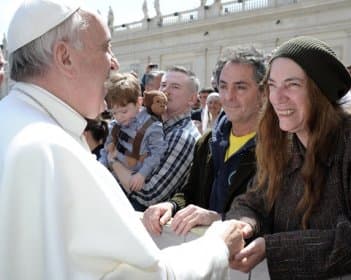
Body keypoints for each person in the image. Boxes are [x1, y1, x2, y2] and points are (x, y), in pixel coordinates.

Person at [0, 1, 246, 279]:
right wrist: (216, 246)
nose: (114, 63)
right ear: (65, 57)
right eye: (105, 47)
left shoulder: (12, 123)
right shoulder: (52, 150)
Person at [226, 36, 351, 279]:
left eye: (292, 84)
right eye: (273, 85)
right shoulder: (281, 142)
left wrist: (274, 248)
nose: (277, 97)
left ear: (320, 90)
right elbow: (253, 201)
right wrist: (242, 225)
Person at [143, 46, 266, 236]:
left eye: (240, 87)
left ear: (263, 92)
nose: (229, 96)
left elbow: (272, 218)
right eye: (223, 86)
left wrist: (218, 218)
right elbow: (190, 193)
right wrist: (170, 205)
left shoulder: (279, 148)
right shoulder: (207, 142)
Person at [110, 65, 201, 211]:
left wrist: (113, 162)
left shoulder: (182, 136)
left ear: (192, 99)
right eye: (163, 85)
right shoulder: (152, 125)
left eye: (175, 87)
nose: (165, 90)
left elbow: (150, 196)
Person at [99, 72, 168, 197]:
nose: (119, 117)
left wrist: (142, 174)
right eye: (114, 113)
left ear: (139, 102)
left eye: (124, 111)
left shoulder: (152, 126)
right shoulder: (114, 126)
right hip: (113, 184)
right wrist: (101, 167)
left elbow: (157, 153)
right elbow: (106, 150)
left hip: (136, 184)